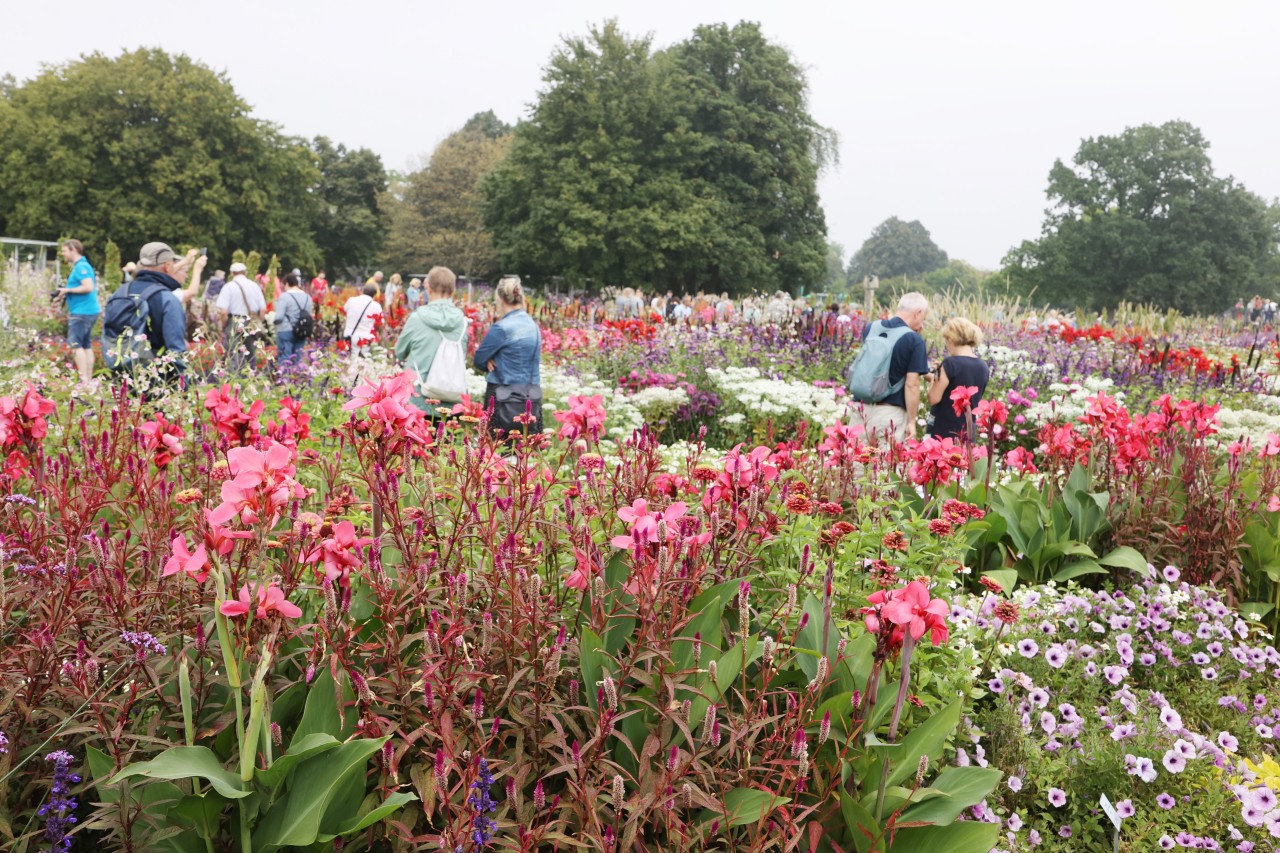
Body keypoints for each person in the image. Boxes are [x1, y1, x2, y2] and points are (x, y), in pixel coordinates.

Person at [850, 292, 930, 443]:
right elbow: (912, 384)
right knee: (889, 465)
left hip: (860, 409)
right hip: (890, 415)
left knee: (856, 463)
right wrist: (912, 421)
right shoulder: (914, 340)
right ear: (918, 313)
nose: (922, 324)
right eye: (923, 318)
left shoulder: (871, 328)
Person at [107, 242, 190, 385]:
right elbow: (176, 351)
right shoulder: (166, 298)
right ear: (167, 266)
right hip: (157, 385)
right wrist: (185, 388)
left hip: (121, 381)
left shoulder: (119, 293)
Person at [474, 275, 542, 438]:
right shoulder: (534, 327)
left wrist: (491, 359)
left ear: (500, 298)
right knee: (526, 454)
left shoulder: (502, 328)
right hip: (531, 398)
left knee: (496, 452)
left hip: (503, 399)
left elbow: (478, 360)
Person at [396, 266, 469, 414]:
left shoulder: (417, 317)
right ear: (453, 291)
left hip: (417, 397)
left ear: (428, 288)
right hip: (451, 399)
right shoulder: (461, 320)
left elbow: (400, 352)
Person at [926, 317, 989, 441]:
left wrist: (934, 379)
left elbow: (933, 398)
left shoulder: (950, 364)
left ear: (951, 338)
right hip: (968, 430)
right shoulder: (983, 366)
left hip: (944, 431)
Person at [56, 239, 100, 385]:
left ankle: (84, 381)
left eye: (64, 251)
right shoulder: (81, 266)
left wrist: (67, 290)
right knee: (86, 345)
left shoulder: (82, 267)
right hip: (87, 311)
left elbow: (88, 287)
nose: (63, 254)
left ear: (73, 249)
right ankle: (88, 379)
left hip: (82, 312)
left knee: (75, 345)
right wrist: (64, 293)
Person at [216, 261, 268, 372]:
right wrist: (258, 322)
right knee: (250, 353)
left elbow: (223, 312)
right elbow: (263, 309)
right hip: (250, 321)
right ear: (245, 272)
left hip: (234, 320)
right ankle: (249, 378)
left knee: (233, 352)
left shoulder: (228, 286)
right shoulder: (254, 286)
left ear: (232, 273)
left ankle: (233, 380)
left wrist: (225, 325)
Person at [274, 272, 312, 365]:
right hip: (302, 331)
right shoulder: (307, 297)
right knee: (297, 358)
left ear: (287, 283)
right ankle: (296, 378)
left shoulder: (285, 296)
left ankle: (285, 378)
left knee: (285, 358)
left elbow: (278, 317)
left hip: (286, 330)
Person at [343, 283, 384, 356]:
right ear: (374, 295)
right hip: (366, 338)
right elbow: (381, 323)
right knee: (364, 363)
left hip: (350, 336)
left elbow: (345, 310)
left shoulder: (351, 300)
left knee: (349, 360)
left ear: (362, 291)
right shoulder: (376, 306)